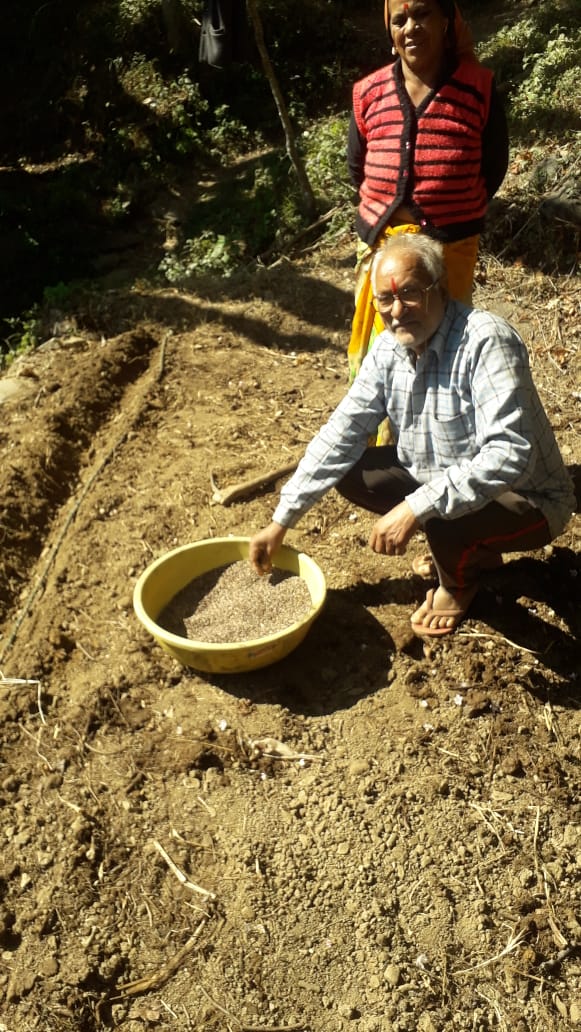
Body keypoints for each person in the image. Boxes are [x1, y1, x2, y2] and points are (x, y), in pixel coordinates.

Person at [249, 234, 575, 639]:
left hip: (530, 501)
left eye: (409, 293)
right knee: (352, 470)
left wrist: (414, 507)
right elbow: (342, 431)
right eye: (385, 300)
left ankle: (458, 585)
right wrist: (282, 520)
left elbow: (509, 453)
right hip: (447, 481)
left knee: (437, 510)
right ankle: (474, 551)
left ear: (440, 288)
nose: (396, 310)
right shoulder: (388, 350)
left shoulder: (486, 340)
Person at [347, 0, 509, 393]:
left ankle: (441, 443)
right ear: (390, 33)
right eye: (399, 19)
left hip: (450, 249)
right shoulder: (368, 93)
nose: (411, 27)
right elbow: (357, 166)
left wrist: (451, 209)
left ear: (447, 23)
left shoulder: (479, 87)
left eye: (422, 15)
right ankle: (383, 448)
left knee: (446, 358)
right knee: (383, 359)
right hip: (383, 251)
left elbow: (494, 166)